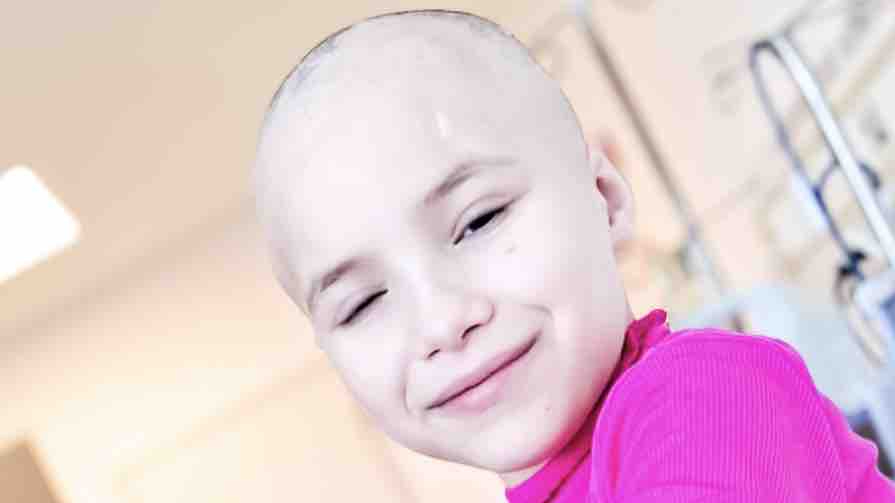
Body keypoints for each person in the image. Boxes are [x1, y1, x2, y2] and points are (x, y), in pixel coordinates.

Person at [250, 9, 895, 501]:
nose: (442, 322)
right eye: (361, 303)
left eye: (478, 221)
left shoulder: (703, 397)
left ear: (605, 199)